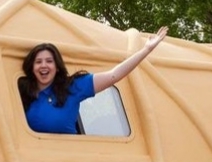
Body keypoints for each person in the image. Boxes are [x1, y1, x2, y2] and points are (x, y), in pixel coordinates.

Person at [21, 26, 168, 134]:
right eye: (38, 62)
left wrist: (146, 50)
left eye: (49, 61)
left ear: (57, 67)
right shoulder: (24, 93)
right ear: (32, 67)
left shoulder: (72, 87)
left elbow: (114, 75)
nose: (44, 65)